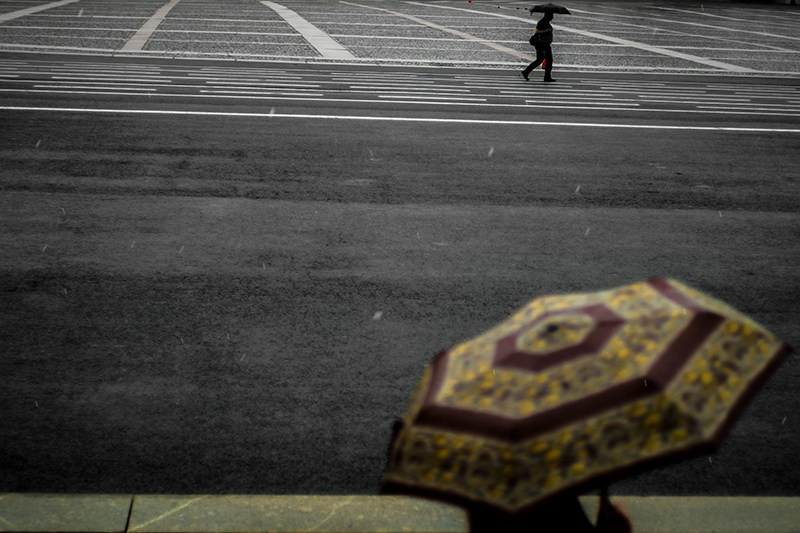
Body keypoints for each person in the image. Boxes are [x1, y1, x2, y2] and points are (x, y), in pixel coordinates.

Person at [521, 12, 556, 82]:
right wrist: (547, 30)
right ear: (548, 16)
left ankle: (547, 77)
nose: (552, 17)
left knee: (549, 61)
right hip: (541, 45)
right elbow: (537, 32)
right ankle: (526, 72)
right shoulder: (542, 22)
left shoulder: (546, 22)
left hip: (546, 45)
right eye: (551, 16)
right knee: (539, 60)